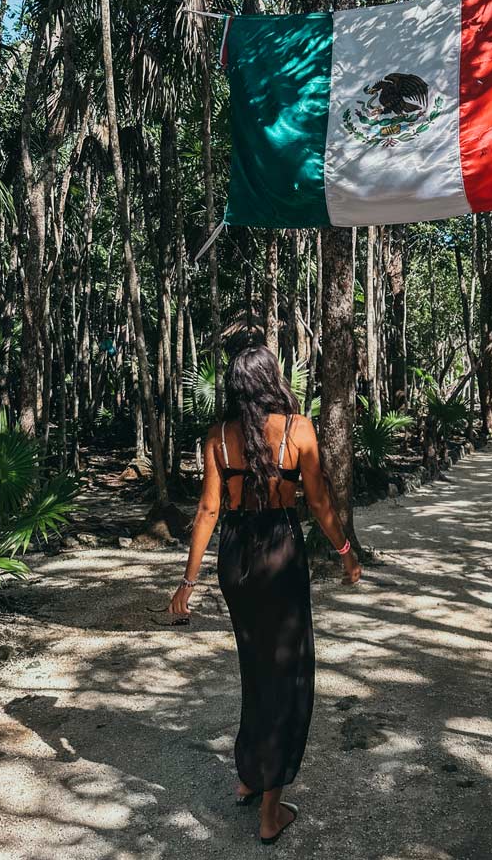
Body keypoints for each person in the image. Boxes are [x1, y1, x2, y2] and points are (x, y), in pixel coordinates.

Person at [169, 344, 361, 845]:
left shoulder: (219, 437)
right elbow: (318, 500)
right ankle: (271, 810)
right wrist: (345, 551)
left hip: (236, 559)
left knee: (254, 669)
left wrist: (187, 584)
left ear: (234, 386)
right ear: (272, 379)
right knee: (289, 677)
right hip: (280, 553)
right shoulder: (298, 430)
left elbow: (209, 512)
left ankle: (249, 775)